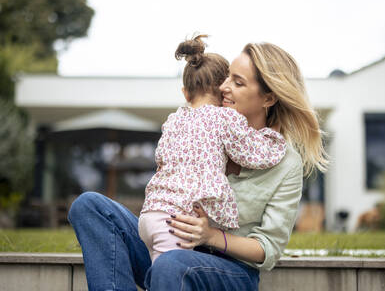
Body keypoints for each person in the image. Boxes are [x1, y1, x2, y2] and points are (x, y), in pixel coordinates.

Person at [68, 41, 328, 291]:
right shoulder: (199, 127)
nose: (224, 87)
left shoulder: (285, 162)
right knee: (89, 206)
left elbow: (267, 249)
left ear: (269, 98)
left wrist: (211, 236)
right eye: (226, 77)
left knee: (172, 264)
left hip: (229, 269)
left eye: (237, 82)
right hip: (171, 243)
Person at [139, 35, 287, 262]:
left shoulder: (173, 120)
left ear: (186, 93)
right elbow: (257, 154)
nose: (228, 88)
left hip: (150, 215)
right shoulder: (223, 118)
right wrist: (273, 135)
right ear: (221, 93)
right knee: (165, 273)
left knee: (160, 273)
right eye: (228, 82)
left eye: (237, 83)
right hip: (177, 222)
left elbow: (160, 158)